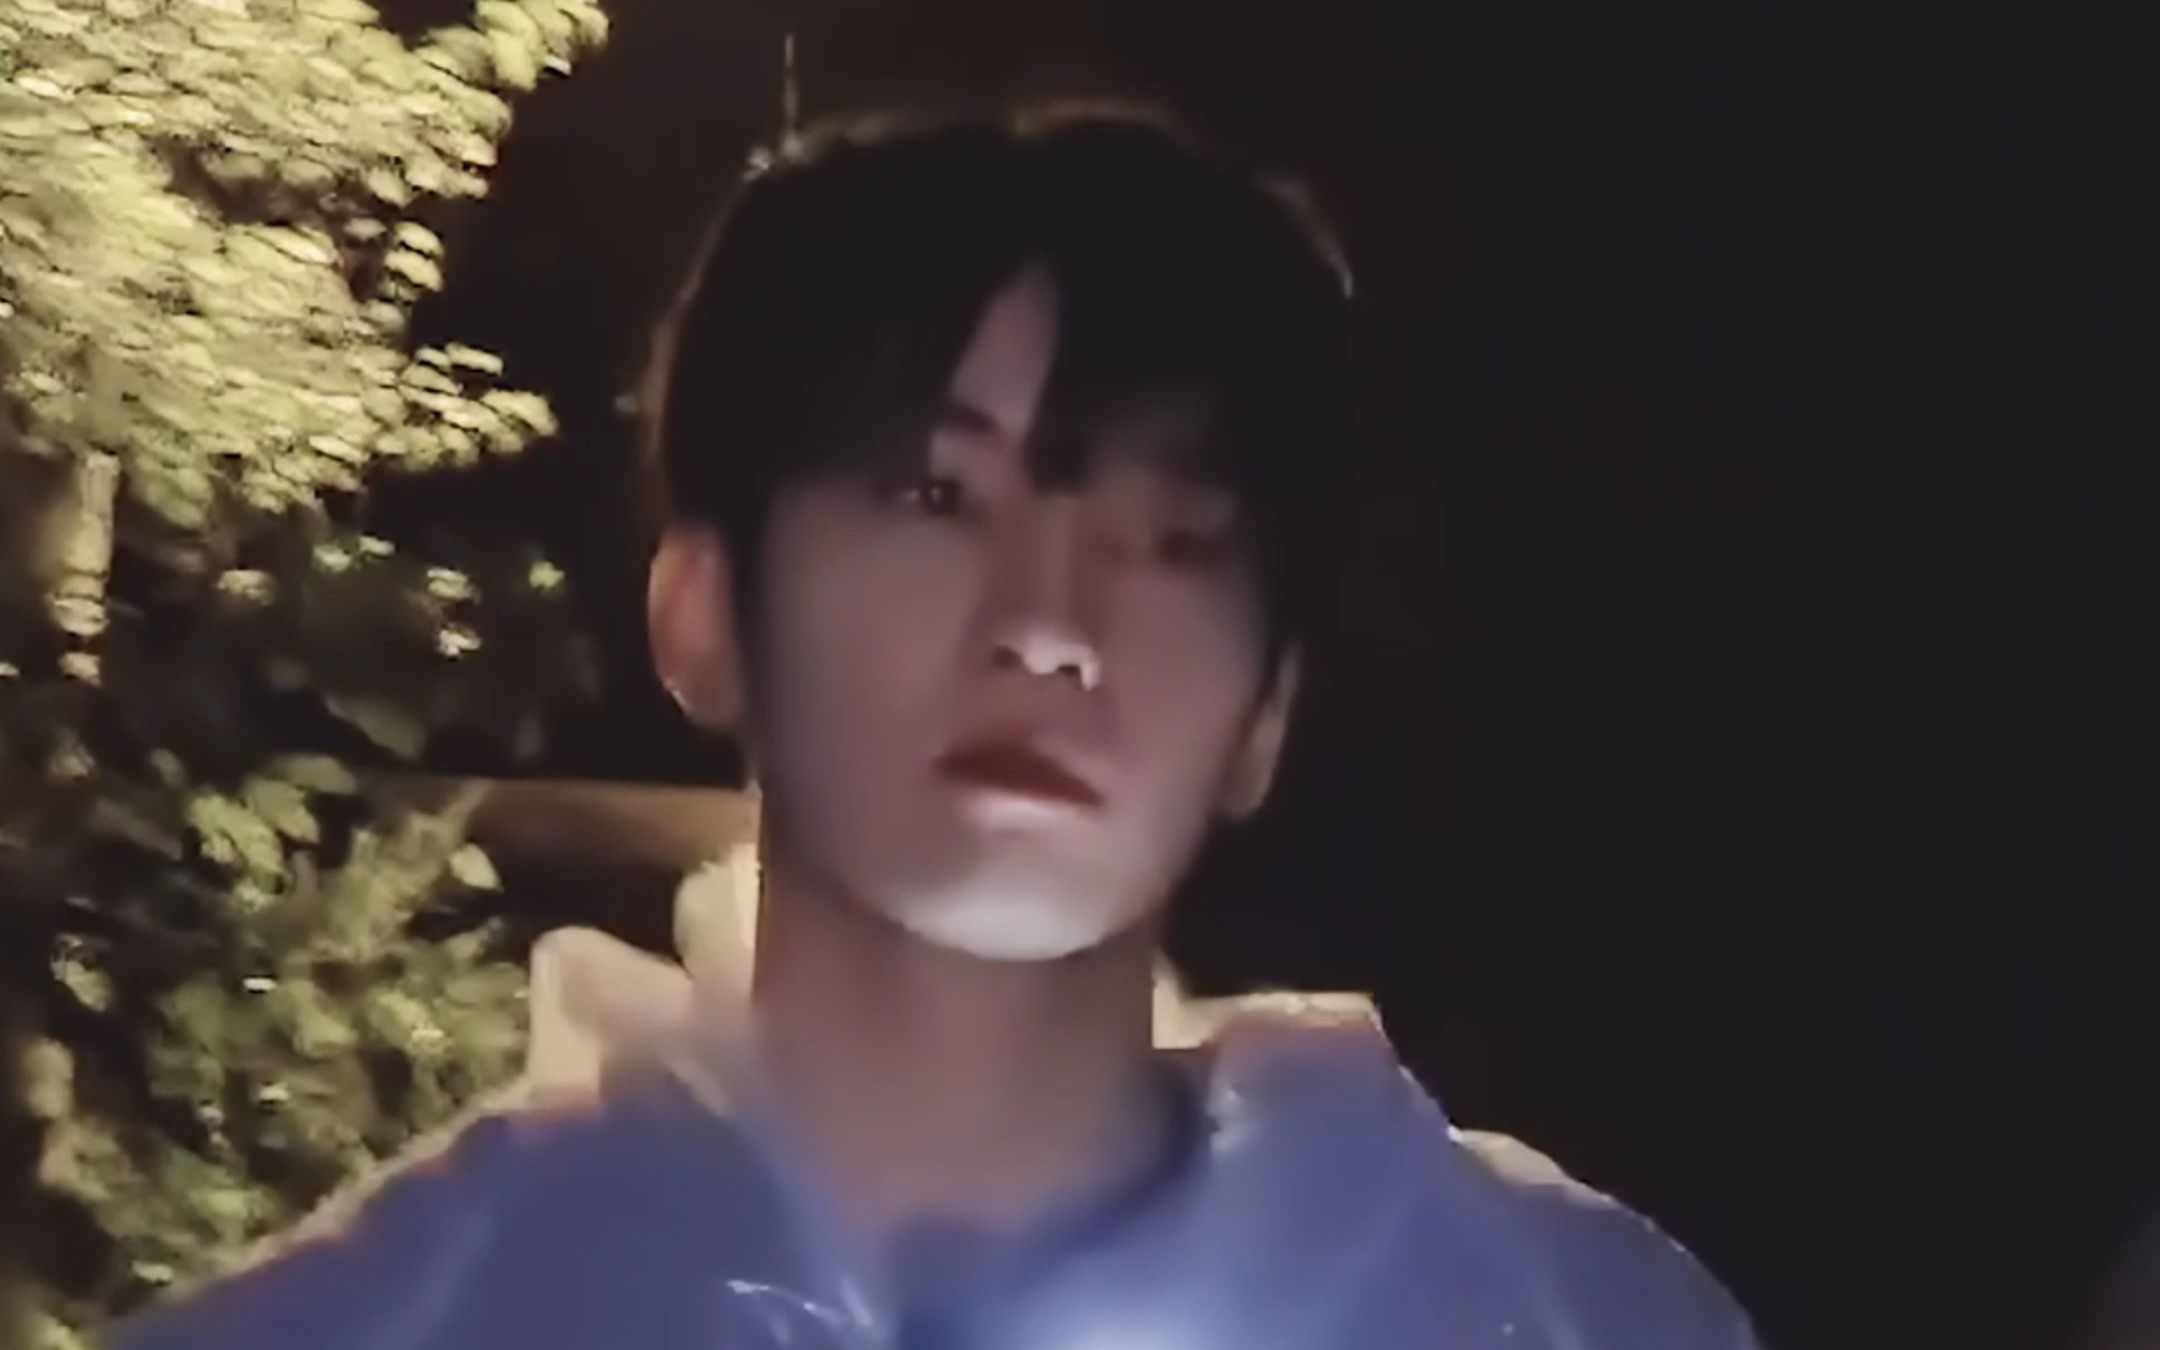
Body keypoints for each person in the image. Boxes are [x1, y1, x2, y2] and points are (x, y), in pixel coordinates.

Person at [113, 105, 1763, 1349]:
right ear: (702, 611)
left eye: (1173, 537)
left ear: (1267, 705)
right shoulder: (401, 1316)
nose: (1050, 624)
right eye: (934, 495)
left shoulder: (1542, 1309)